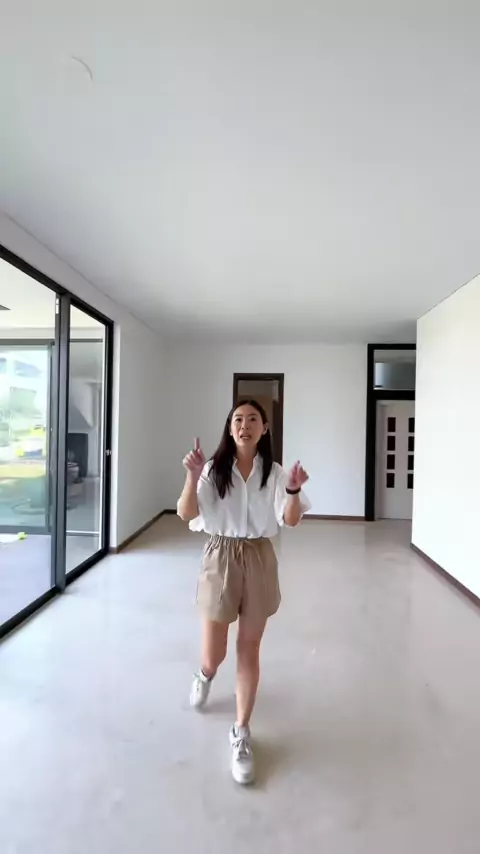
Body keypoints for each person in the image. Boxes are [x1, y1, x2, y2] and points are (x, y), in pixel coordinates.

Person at [177, 399, 310, 785]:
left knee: (249, 647)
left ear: (264, 428)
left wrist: (293, 491)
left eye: (253, 419)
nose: (244, 425)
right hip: (220, 555)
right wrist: (192, 476)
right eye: (238, 419)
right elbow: (186, 513)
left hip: (259, 557)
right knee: (214, 653)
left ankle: (241, 732)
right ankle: (204, 674)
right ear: (230, 427)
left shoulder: (276, 472)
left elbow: (290, 520)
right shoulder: (213, 470)